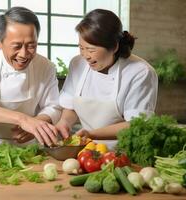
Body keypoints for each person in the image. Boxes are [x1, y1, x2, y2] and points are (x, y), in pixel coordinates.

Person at [0, 7, 68, 150]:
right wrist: (22, 119)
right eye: (16, 46)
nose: (24, 54)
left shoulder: (45, 66)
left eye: (31, 46)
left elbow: (53, 106)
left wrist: (37, 124)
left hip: (29, 148)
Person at [56, 9, 158, 148]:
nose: (85, 55)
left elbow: (136, 125)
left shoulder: (140, 72)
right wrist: (64, 123)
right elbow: (70, 106)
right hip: (88, 150)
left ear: (114, 46)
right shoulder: (78, 63)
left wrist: (92, 134)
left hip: (124, 153)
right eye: (81, 48)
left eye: (91, 50)